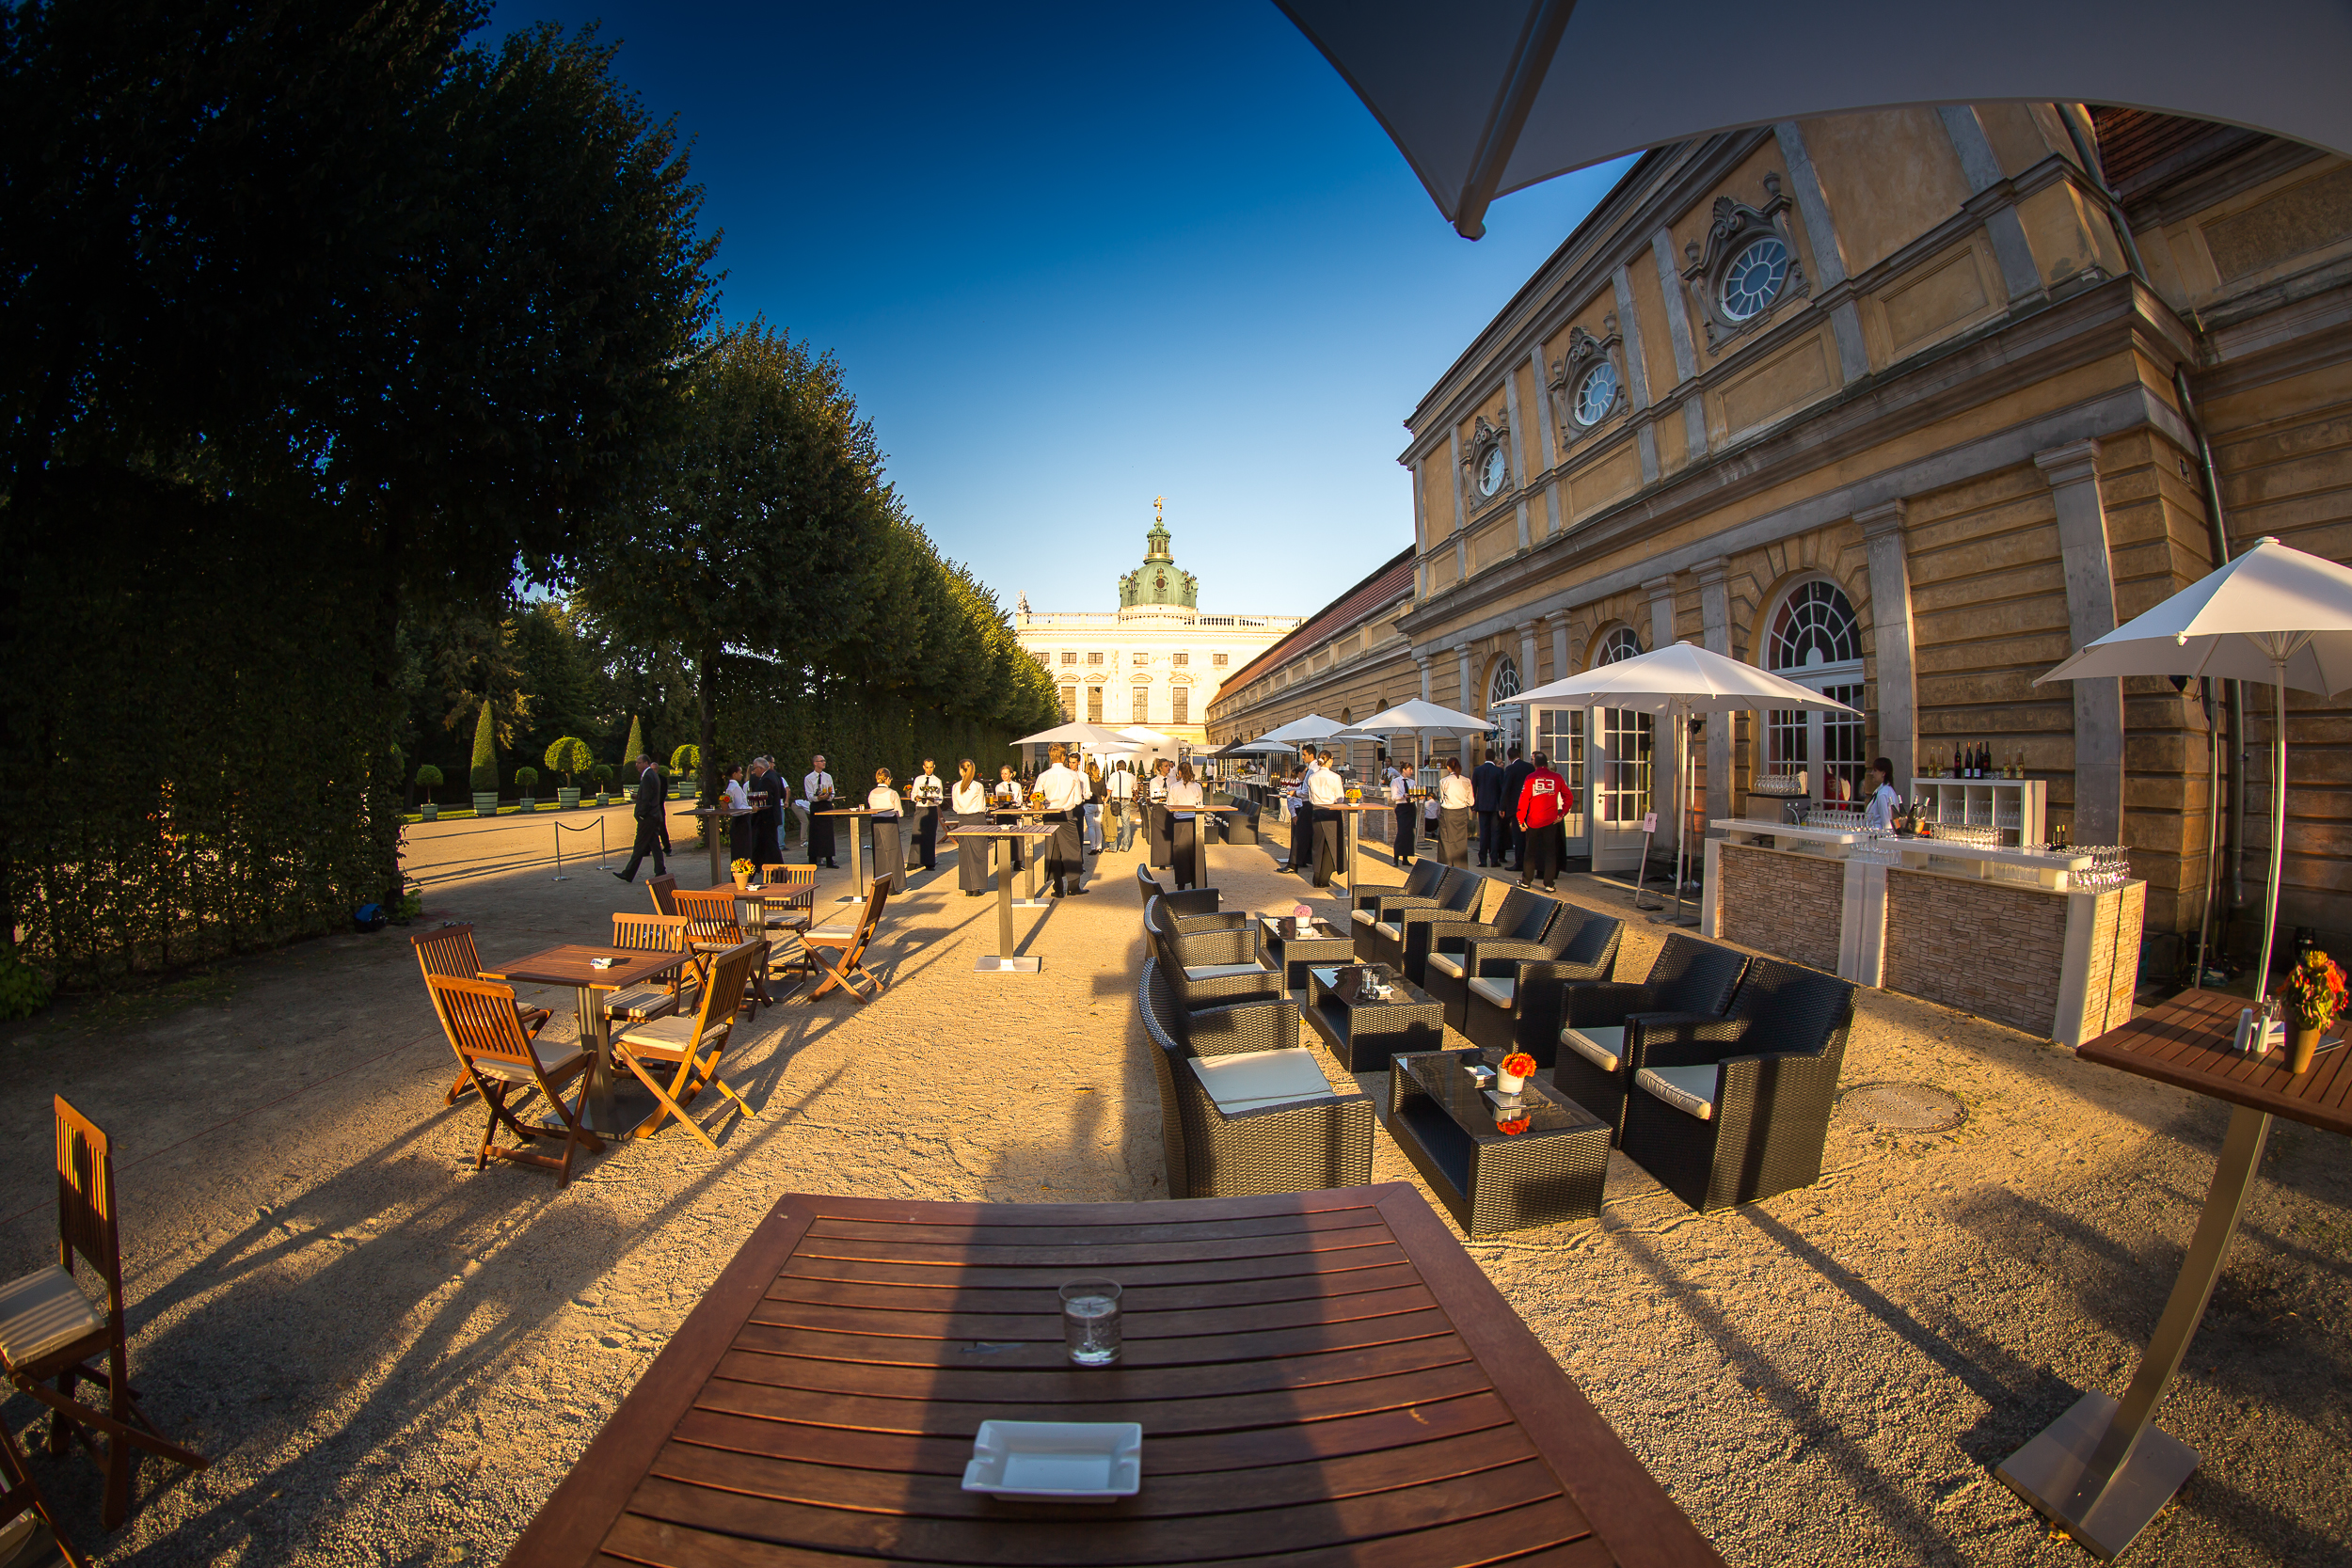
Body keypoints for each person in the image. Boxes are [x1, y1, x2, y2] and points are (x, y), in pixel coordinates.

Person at [1036, 744, 1089, 895]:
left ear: (1050, 756)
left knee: (1053, 851)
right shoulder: (1072, 775)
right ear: (1064, 756)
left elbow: (1036, 796)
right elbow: (1078, 800)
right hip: (1067, 814)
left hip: (1050, 815)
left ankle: (1058, 887)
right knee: (1072, 850)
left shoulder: (1043, 776)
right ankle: (1073, 886)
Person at [1516, 750, 1570, 893]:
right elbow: (1568, 797)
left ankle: (1526, 881)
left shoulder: (1530, 778)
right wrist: (1562, 813)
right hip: (1551, 820)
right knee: (1550, 853)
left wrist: (1521, 820)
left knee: (1530, 852)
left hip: (1533, 819)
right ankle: (1549, 884)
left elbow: (1523, 801)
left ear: (1535, 763)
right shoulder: (1557, 778)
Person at [613, 754, 668, 882]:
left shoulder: (648, 775)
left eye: (639, 762)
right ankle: (660, 871)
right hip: (653, 816)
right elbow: (648, 795)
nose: (636, 765)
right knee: (654, 845)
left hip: (648, 817)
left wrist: (641, 813)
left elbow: (647, 798)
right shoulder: (651, 775)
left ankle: (628, 873)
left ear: (646, 763)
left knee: (639, 846)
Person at [1305, 747, 1345, 886]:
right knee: (1331, 845)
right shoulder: (1335, 777)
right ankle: (1324, 878)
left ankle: (1317, 876)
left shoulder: (1312, 777)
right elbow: (1340, 798)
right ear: (1329, 761)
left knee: (1317, 845)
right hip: (1331, 811)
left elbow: (1310, 796)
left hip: (1316, 810)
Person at [1166, 761, 1208, 891]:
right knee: (1196, 852)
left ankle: (1181, 884)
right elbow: (1200, 803)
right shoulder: (1197, 787)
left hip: (1180, 822)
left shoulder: (1173, 787)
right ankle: (1197, 882)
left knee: (1180, 854)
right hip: (1195, 821)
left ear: (1179, 773)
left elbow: (1170, 805)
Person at [952, 759, 993, 895]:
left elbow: (955, 806)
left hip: (963, 819)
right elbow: (982, 806)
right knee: (978, 853)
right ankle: (977, 887)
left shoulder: (956, 786)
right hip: (977, 819)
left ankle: (967, 887)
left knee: (965, 853)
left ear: (961, 770)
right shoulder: (978, 786)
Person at [866, 767, 905, 890]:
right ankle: (893, 885)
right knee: (893, 852)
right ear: (887, 779)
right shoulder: (892, 793)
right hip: (889, 822)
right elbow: (900, 812)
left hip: (876, 822)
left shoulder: (872, 793)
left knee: (879, 852)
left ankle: (880, 882)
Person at [1436, 756, 1475, 868]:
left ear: (1448, 768)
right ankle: (1461, 867)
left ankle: (1445, 866)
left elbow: (1442, 798)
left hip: (1448, 812)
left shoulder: (1444, 781)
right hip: (1461, 812)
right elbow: (1471, 801)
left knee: (1446, 841)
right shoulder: (1467, 781)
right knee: (1461, 842)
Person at [1498, 745, 1533, 871]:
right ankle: (1529, 862)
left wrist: (1502, 807)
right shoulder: (1530, 767)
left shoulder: (1511, 769)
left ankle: (1519, 863)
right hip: (1529, 805)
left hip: (1515, 807)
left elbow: (1506, 789)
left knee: (1518, 837)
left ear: (1509, 757)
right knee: (1528, 837)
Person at [908, 757, 946, 873]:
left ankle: (929, 862)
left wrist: (933, 799)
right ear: (924, 767)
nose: (929, 770)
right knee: (916, 833)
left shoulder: (937, 781)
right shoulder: (918, 780)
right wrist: (916, 798)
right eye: (927, 767)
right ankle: (913, 861)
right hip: (920, 808)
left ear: (934, 767)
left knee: (930, 835)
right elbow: (913, 794)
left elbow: (940, 798)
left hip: (931, 809)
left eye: (931, 767)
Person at [1471, 746, 1506, 867]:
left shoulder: (1478, 770)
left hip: (1481, 805)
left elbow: (1473, 788)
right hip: (1495, 805)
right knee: (1495, 833)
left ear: (1485, 757)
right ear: (1494, 758)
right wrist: (1502, 807)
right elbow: (1503, 790)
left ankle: (1482, 859)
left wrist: (1473, 804)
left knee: (1484, 833)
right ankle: (1494, 859)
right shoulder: (1499, 771)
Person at [747, 757, 783, 873]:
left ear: (760, 768)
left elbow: (766, 800)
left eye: (755, 768)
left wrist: (756, 806)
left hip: (767, 818)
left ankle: (780, 871)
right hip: (771, 817)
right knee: (762, 845)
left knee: (771, 846)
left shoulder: (766, 779)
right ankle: (756, 869)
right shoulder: (774, 776)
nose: (754, 771)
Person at [803, 754, 838, 868]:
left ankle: (829, 859)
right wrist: (818, 798)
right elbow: (809, 795)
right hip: (816, 805)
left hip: (826, 805)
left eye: (824, 760)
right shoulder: (809, 778)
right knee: (815, 833)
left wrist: (828, 796)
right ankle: (813, 860)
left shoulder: (828, 777)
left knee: (828, 833)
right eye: (821, 761)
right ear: (815, 763)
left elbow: (832, 792)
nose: (824, 762)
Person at [992, 763, 1026, 873]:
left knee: (1018, 836)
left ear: (1011, 774)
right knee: (1002, 836)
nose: (1004, 775)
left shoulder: (1017, 786)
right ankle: (1003, 862)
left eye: (1006, 773)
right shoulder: (999, 786)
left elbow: (1020, 799)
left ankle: (1018, 862)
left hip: (1014, 810)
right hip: (1003, 811)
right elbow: (999, 799)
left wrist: (1017, 803)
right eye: (1002, 774)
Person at [1385, 758, 1415, 866]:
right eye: (1409, 769)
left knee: (1409, 833)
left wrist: (1417, 797)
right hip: (1401, 807)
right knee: (1401, 832)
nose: (1411, 772)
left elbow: (1415, 796)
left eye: (1412, 769)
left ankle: (1406, 858)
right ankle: (1396, 858)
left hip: (1410, 807)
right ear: (1404, 770)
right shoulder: (1396, 781)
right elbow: (1394, 797)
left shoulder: (1412, 782)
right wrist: (1403, 796)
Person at [1146, 758, 1173, 870]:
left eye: (1169, 766)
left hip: (1171, 808)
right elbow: (1154, 797)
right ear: (1160, 768)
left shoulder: (1173, 780)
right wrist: (1165, 794)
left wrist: (1162, 794)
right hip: (1159, 808)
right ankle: (1161, 861)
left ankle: (1171, 859)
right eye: (1166, 766)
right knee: (1159, 836)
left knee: (1171, 834)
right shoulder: (1154, 781)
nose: (1168, 768)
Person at [1107, 760, 1138, 852]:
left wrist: (1106, 800)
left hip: (1115, 800)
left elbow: (1109, 789)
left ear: (1117, 767)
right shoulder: (1132, 776)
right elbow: (1135, 788)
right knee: (1126, 824)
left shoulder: (1113, 775)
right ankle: (1125, 846)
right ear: (1126, 767)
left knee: (1113, 824)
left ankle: (1113, 847)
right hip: (1127, 800)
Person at [1863, 756, 1899, 831]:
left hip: (1877, 836)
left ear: (1883, 773)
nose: (1872, 773)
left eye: (1875, 770)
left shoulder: (1883, 793)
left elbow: (1887, 823)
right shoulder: (1882, 790)